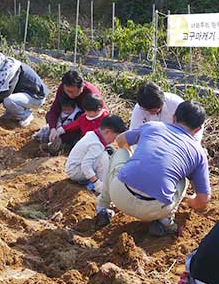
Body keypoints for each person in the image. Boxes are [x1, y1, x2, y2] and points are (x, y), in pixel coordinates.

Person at [95, 100, 210, 235]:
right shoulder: (198, 152)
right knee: (182, 179)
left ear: (174, 118)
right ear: (198, 129)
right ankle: (165, 222)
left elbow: (120, 139)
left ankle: (103, 207)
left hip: (119, 195)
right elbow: (203, 199)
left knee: (120, 153)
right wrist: (189, 201)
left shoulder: (153, 126)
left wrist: (130, 156)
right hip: (155, 209)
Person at [0, 54, 49, 127]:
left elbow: (6, 91)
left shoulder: (10, 69)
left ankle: (26, 115)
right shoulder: (3, 67)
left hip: (35, 96)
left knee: (8, 100)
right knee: (7, 99)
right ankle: (11, 114)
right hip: (25, 93)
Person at [65, 115, 127, 194]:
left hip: (75, 168)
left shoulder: (93, 135)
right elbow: (86, 165)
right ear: (107, 132)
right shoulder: (96, 144)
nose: (113, 141)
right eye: (114, 138)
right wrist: (96, 183)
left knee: (108, 153)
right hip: (75, 171)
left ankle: (91, 182)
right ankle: (102, 188)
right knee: (103, 158)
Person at [46, 71, 106, 148]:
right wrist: (53, 128)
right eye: (67, 91)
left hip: (84, 124)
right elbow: (54, 110)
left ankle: (65, 141)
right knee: (49, 116)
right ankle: (59, 138)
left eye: (72, 92)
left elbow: (98, 118)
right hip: (66, 121)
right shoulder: (63, 88)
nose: (69, 94)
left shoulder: (91, 93)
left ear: (81, 87)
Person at [131, 82, 203, 141]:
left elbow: (195, 122)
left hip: (178, 139)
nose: (151, 113)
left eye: (155, 111)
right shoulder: (139, 109)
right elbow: (135, 135)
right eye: (147, 111)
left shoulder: (176, 103)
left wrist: (193, 145)